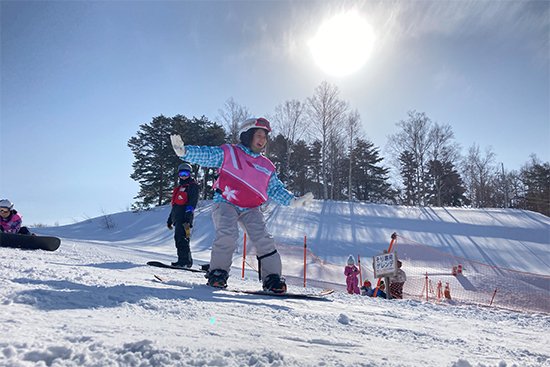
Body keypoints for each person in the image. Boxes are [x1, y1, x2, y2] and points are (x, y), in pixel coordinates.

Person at [170, 117, 314, 293]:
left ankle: (273, 279)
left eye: (265, 137)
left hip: (251, 208)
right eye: (259, 135)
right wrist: (185, 152)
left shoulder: (266, 166)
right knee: (228, 234)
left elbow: (275, 188)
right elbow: (208, 155)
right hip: (226, 202)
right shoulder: (230, 153)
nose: (262, 140)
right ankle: (218, 273)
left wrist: (293, 201)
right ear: (247, 135)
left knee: (264, 240)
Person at [167, 162, 200, 268]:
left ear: (190, 174)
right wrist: (170, 219)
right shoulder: (179, 188)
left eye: (186, 174)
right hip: (177, 218)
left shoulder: (192, 186)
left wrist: (188, 215)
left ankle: (186, 261)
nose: (184, 176)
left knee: (183, 238)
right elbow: (175, 205)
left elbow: (192, 202)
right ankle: (182, 260)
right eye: (182, 174)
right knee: (178, 238)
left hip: (185, 218)